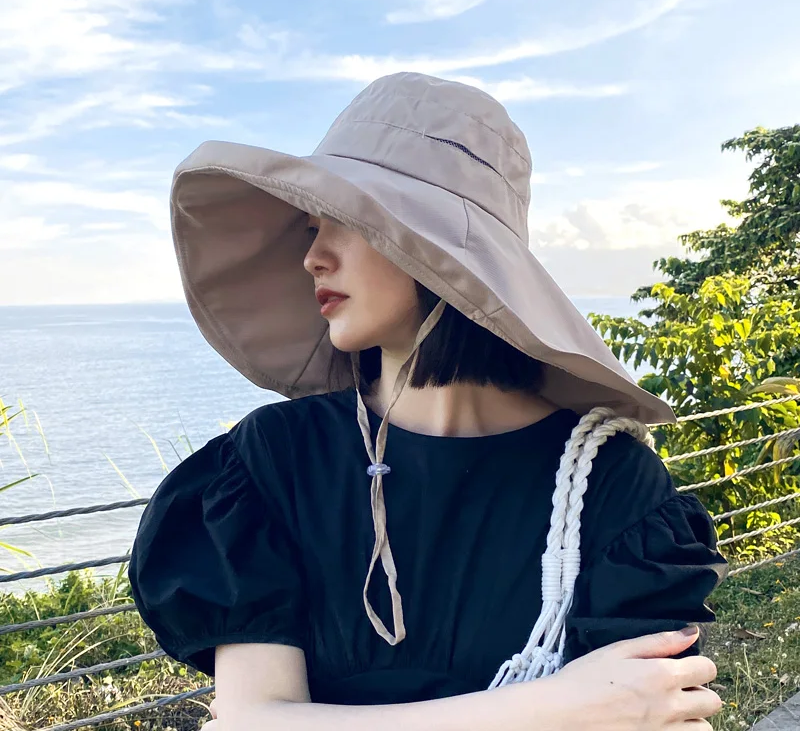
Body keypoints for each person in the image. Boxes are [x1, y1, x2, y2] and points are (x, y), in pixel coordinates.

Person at [129, 72, 727, 729]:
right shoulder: (273, 460)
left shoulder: (608, 482)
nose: (313, 258)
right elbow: (250, 722)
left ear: (444, 253)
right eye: (312, 228)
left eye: (345, 221)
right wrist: (554, 707)